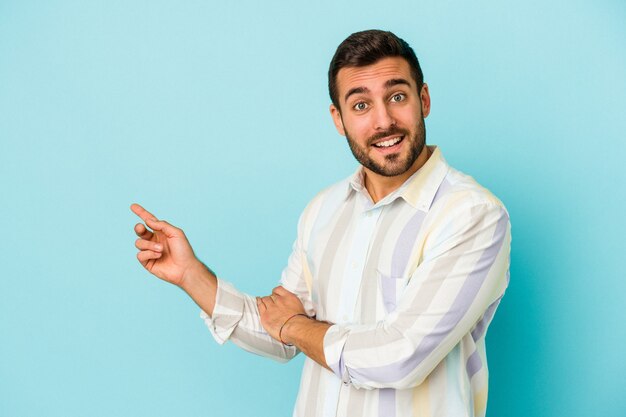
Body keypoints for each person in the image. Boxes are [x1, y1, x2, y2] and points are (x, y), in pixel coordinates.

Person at [131, 29, 511, 417]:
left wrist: (295, 327)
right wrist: (191, 276)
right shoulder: (324, 210)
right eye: (361, 105)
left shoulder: (472, 215)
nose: (384, 121)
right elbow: (277, 334)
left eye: (397, 97)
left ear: (423, 99)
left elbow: (401, 357)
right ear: (338, 119)